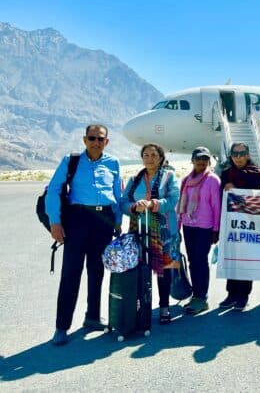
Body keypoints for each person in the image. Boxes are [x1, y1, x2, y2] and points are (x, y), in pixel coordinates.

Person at [46, 124, 121, 346]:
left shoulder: (113, 163)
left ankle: (93, 317)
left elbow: (117, 193)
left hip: (104, 221)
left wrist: (117, 222)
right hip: (77, 220)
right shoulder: (71, 161)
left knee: (97, 271)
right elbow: (53, 190)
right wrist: (55, 222)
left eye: (100, 139)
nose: (96, 142)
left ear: (106, 141)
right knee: (71, 273)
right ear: (84, 139)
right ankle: (61, 327)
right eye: (92, 138)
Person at [120, 143, 181, 324]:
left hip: (164, 231)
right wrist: (134, 206)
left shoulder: (169, 177)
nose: (149, 158)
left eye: (154, 155)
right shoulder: (134, 179)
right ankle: (141, 307)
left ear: (161, 158)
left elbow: (173, 199)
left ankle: (164, 307)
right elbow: (123, 202)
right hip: (139, 230)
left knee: (165, 269)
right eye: (146, 155)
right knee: (140, 268)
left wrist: (154, 203)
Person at [219, 142, 260, 310]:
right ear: (231, 156)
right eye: (235, 154)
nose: (238, 157)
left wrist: (236, 188)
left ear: (247, 154)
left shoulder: (257, 173)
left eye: (241, 153)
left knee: (246, 260)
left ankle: (243, 296)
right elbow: (220, 197)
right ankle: (231, 294)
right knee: (232, 258)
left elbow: (257, 192)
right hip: (231, 224)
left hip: (249, 224)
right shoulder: (226, 173)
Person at [177, 146, 221, 315]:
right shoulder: (186, 180)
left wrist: (216, 230)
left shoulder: (212, 180)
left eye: (205, 159)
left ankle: (202, 298)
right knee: (192, 261)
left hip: (205, 227)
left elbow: (216, 206)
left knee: (200, 261)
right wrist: (178, 227)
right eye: (198, 158)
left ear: (209, 161)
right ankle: (196, 295)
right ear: (192, 160)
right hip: (189, 226)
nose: (201, 162)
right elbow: (181, 205)